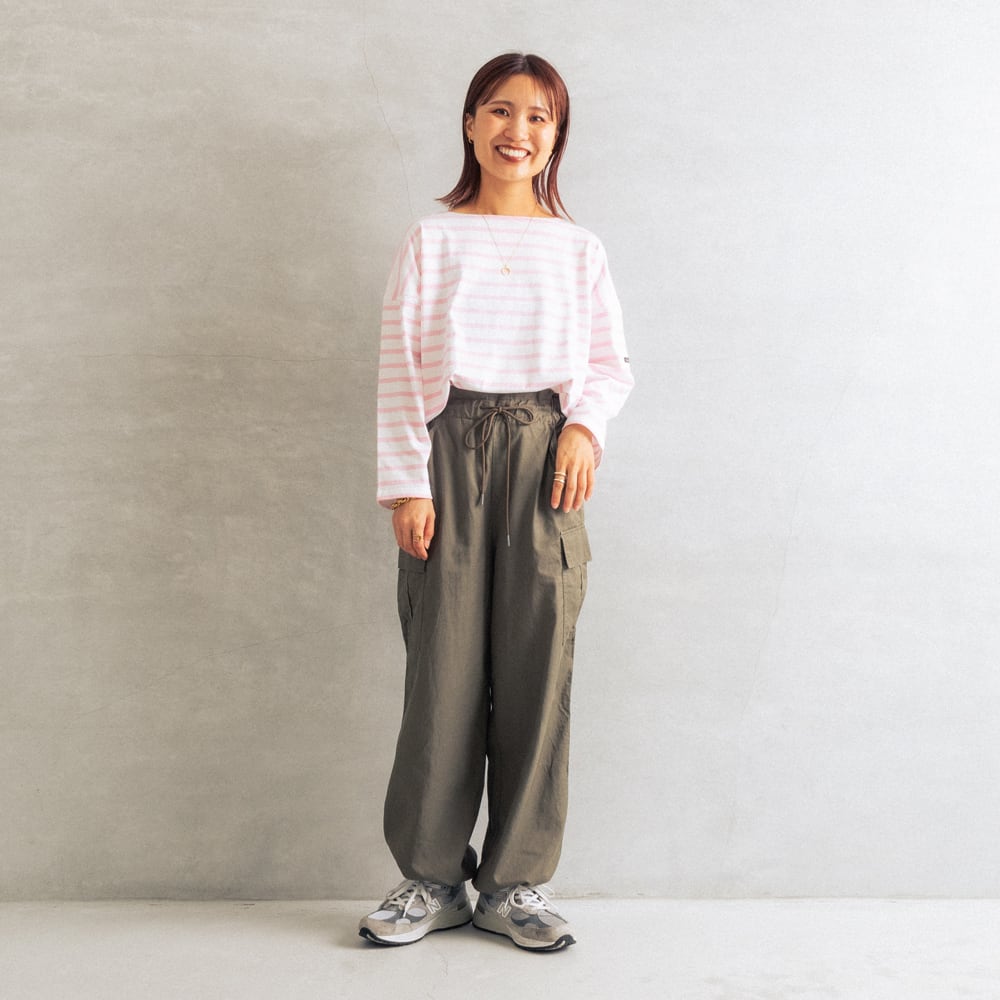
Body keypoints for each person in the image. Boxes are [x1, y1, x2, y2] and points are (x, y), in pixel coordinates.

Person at [359, 52, 633, 952]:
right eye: (502, 111)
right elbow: (401, 365)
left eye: (539, 117)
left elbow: (609, 365)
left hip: (546, 458)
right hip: (447, 450)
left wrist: (584, 429)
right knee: (442, 668)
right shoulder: (431, 240)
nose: (519, 131)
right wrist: (406, 484)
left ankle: (513, 885)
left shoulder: (579, 249)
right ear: (472, 124)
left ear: (557, 137)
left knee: (536, 668)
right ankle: (431, 879)